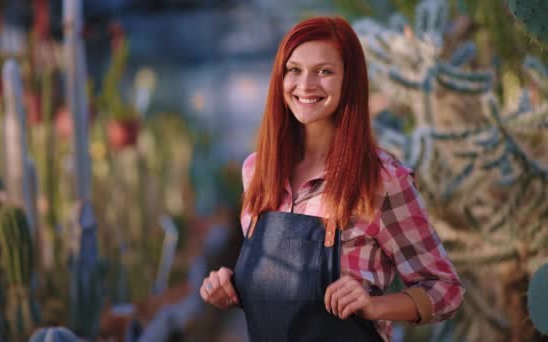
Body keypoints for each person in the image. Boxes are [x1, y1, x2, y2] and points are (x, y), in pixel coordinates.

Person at [199, 16, 464, 341]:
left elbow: (446, 289)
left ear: (348, 80)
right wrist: (231, 288)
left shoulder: (381, 179)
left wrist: (375, 306)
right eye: (294, 69)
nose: (305, 84)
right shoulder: (257, 172)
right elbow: (284, 298)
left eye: (324, 71)